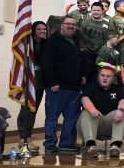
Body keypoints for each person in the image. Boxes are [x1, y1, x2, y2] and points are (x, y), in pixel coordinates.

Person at [41, 16, 85, 153]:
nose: (71, 26)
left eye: (74, 24)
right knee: (52, 117)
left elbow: (77, 61)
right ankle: (50, 145)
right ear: (61, 26)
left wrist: (82, 76)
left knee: (72, 118)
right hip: (57, 87)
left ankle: (67, 143)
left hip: (74, 87)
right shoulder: (52, 41)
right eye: (68, 24)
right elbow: (46, 63)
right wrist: (52, 82)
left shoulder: (75, 41)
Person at [78, 65, 124, 159]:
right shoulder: (90, 87)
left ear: (112, 78)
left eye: (108, 76)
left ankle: (115, 147)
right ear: (98, 76)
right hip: (94, 121)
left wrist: (120, 110)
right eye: (102, 75)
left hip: (110, 122)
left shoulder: (118, 88)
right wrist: (92, 109)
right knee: (86, 112)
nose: (105, 78)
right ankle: (91, 147)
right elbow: (84, 99)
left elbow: (123, 100)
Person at [17, 21, 47, 153]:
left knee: (33, 110)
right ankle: (22, 138)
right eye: (39, 29)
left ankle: (28, 138)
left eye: (44, 29)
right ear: (34, 30)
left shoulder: (46, 44)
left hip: (40, 82)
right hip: (29, 80)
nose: (42, 31)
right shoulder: (28, 44)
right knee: (25, 110)